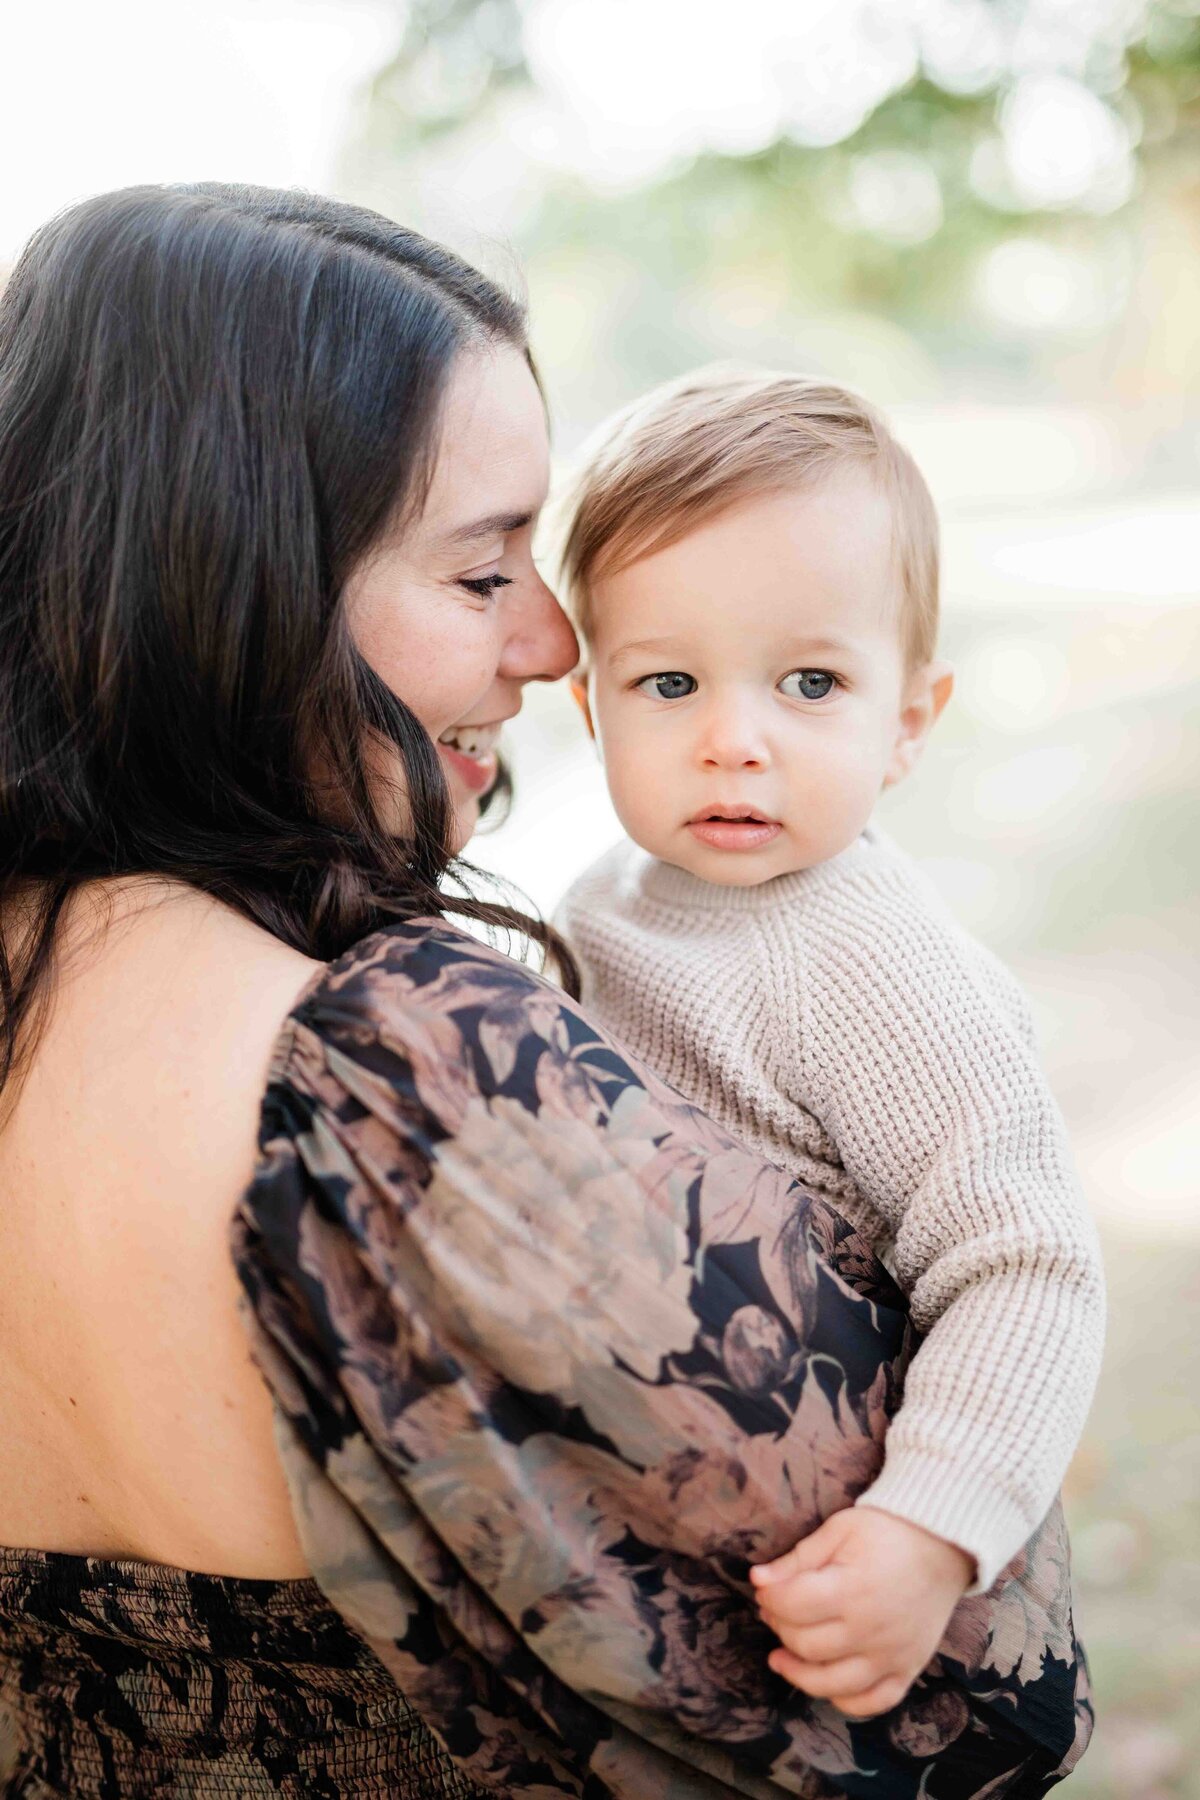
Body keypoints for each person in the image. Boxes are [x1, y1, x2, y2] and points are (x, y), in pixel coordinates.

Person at [0, 186, 1091, 1799]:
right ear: (241, 580)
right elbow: (969, 1722)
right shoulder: (405, 1069)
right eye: (481, 571)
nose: (552, 641)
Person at [554, 365, 1106, 1720]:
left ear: (908, 721)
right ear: (589, 708)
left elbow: (1024, 1260)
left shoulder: (869, 960)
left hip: (848, 1575)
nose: (733, 741)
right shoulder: (593, 910)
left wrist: (931, 1529)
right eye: (669, 682)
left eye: (810, 682)